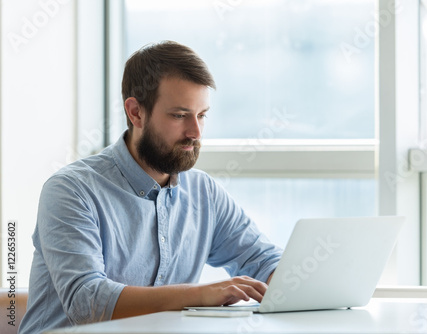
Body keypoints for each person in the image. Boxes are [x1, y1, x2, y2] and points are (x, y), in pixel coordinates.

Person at [19, 40, 282, 334]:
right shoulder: (71, 191)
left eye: (202, 115)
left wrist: (304, 279)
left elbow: (262, 260)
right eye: (180, 115)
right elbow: (87, 302)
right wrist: (201, 295)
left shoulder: (203, 193)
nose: (195, 132)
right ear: (136, 113)